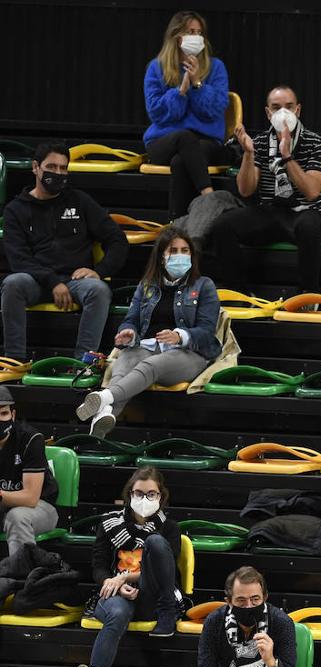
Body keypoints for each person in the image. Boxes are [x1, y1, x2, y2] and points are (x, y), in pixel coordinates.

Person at [74, 226, 222, 438]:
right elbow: (131, 320)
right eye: (173, 251)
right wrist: (128, 333)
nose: (180, 255)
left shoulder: (204, 285)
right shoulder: (147, 286)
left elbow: (207, 331)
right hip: (149, 347)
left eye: (185, 251)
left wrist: (180, 336)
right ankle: (103, 415)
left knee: (150, 364)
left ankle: (105, 397)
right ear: (161, 256)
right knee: (125, 360)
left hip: (190, 354)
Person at [1, 142, 127, 361]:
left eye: (63, 168)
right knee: (13, 283)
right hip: (35, 280)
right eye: (51, 167)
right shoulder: (15, 210)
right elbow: (18, 260)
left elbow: (117, 239)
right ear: (35, 167)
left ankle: (84, 362)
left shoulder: (80, 201)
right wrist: (52, 281)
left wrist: (100, 270)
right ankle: (14, 361)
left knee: (99, 290)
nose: (58, 173)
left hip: (75, 280)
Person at [210, 85, 321, 296]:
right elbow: (246, 190)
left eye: (288, 107)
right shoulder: (261, 142)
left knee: (309, 227)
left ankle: (307, 295)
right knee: (222, 225)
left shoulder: (316, 143)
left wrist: (287, 157)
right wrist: (248, 153)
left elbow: (312, 191)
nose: (283, 113)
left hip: (306, 211)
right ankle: (237, 292)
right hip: (271, 210)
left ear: (298, 111)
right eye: (276, 108)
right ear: (268, 113)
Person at [73, 467, 183, 667]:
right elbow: (99, 566)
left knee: (155, 542)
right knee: (118, 612)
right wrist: (112, 583)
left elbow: (164, 570)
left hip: (152, 594)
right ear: (129, 494)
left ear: (161, 496)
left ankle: (167, 614)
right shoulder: (108, 523)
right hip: (115, 593)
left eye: (151, 494)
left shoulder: (169, 528)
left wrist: (123, 578)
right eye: (138, 493)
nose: (144, 499)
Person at [143, 10, 234, 218]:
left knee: (181, 162)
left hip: (206, 142)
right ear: (177, 36)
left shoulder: (216, 67)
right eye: (190, 32)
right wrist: (181, 91)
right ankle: (209, 197)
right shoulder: (156, 68)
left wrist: (197, 84)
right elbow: (157, 113)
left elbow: (215, 110)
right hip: (164, 142)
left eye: (199, 32)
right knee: (184, 138)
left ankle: (177, 225)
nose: (197, 37)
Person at [0, 386, 59, 555]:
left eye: (3, 414)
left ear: (13, 415)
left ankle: (21, 578)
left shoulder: (30, 439)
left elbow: (30, 498)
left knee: (17, 517)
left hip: (40, 507)